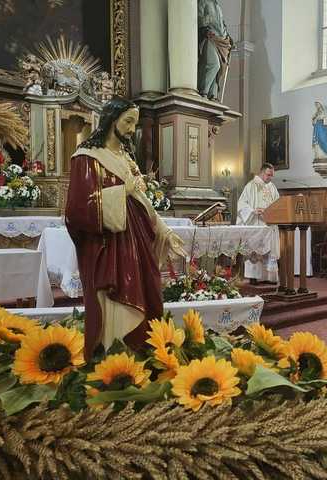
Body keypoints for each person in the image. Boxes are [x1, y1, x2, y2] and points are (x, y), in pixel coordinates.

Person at [65, 97, 186, 360]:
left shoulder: (127, 159)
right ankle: (112, 354)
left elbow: (141, 201)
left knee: (145, 288)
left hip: (136, 241)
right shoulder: (87, 157)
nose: (132, 129)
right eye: (128, 122)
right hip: (108, 247)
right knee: (116, 302)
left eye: (134, 122)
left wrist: (163, 231)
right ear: (111, 120)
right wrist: (121, 192)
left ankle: (136, 352)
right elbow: (77, 210)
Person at [236, 163, 280, 283]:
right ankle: (254, 277)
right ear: (261, 172)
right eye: (268, 175)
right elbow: (241, 205)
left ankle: (268, 277)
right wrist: (253, 211)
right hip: (256, 223)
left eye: (271, 175)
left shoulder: (272, 187)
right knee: (255, 249)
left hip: (269, 224)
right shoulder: (250, 186)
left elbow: (278, 204)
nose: (270, 178)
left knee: (269, 250)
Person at [198, 0, 233, 101]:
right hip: (210, 38)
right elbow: (199, 17)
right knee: (213, 64)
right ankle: (203, 91)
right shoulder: (203, 2)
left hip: (221, 41)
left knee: (219, 69)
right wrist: (204, 30)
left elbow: (222, 24)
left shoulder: (217, 6)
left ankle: (212, 95)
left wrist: (228, 37)